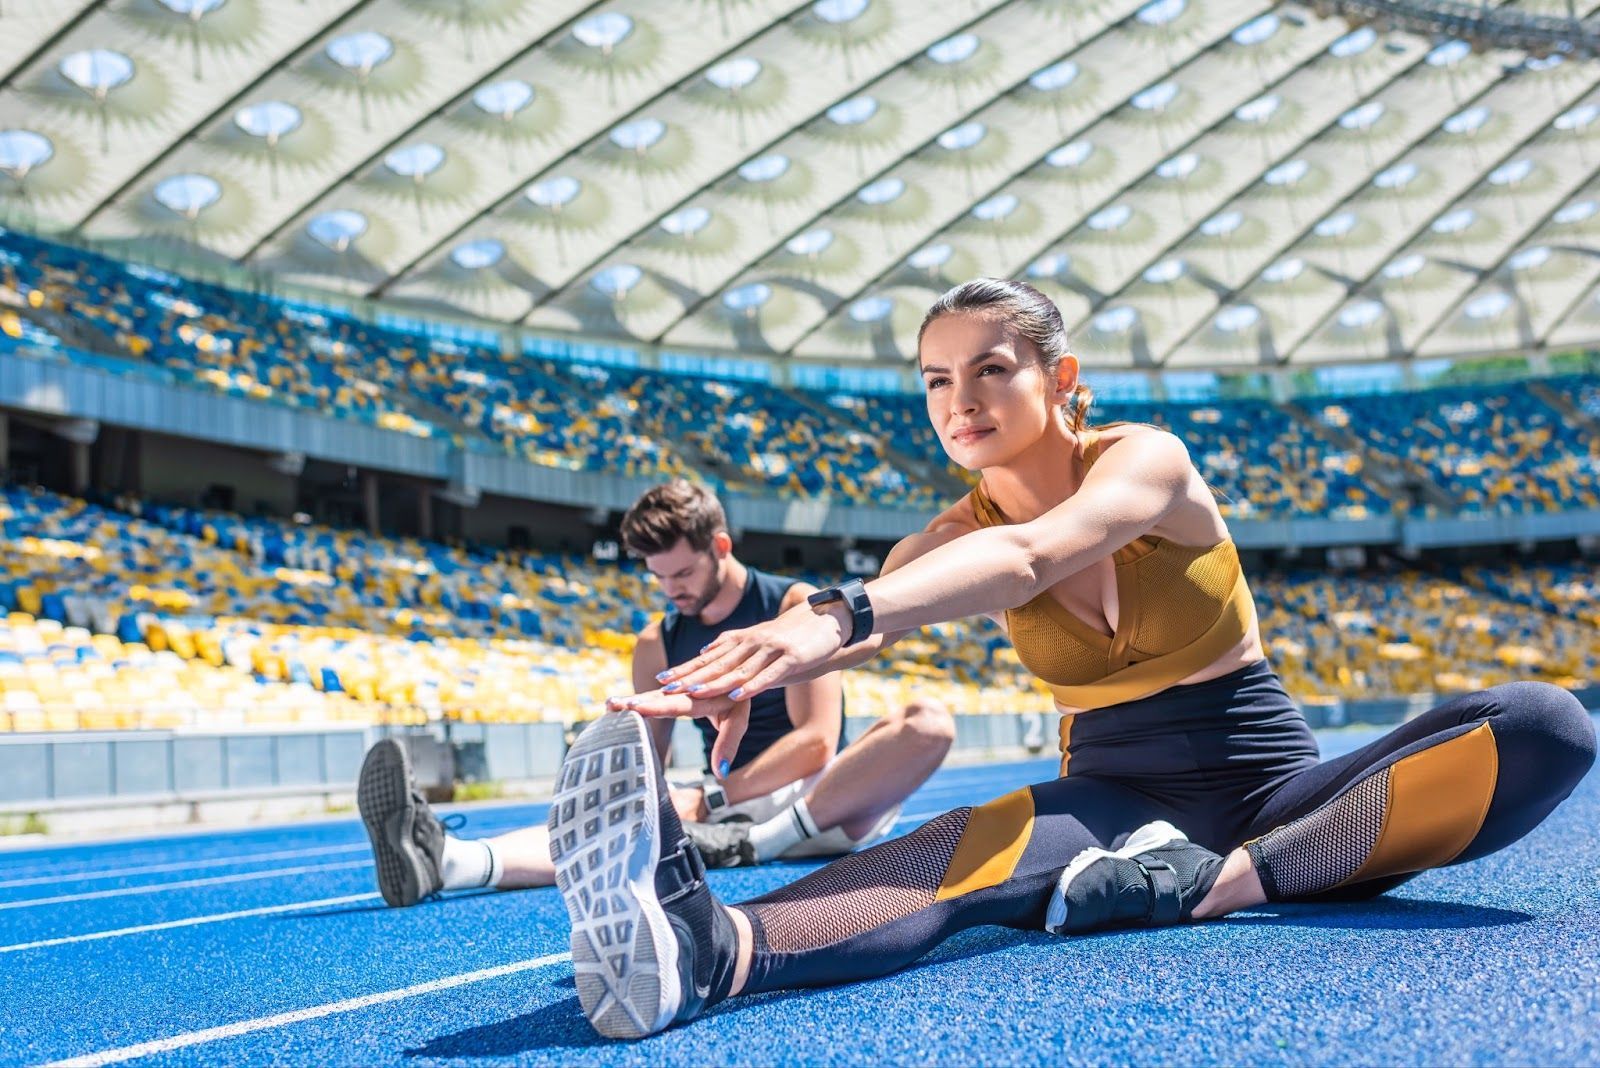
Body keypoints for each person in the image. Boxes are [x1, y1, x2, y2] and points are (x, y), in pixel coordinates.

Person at [545, 278, 1597, 1040]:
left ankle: (1215, 885)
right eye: (935, 379)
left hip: (1274, 781)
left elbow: (1033, 554)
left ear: (1060, 377)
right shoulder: (938, 542)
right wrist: (723, 693)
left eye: (991, 369)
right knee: (969, 845)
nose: (960, 398)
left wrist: (837, 611)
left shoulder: (1147, 462)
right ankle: (710, 950)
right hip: (1117, 793)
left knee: (1547, 725)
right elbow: (917, 597)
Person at [357, 479, 954, 907]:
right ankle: (452, 861)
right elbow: (649, 763)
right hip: (722, 804)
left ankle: (761, 843)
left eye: (684, 574)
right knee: (616, 813)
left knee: (925, 722)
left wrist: (714, 800)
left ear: (720, 547)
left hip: (818, 799)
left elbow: (816, 745)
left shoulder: (792, 605)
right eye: (659, 577)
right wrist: (629, 787)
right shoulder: (657, 644)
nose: (673, 591)